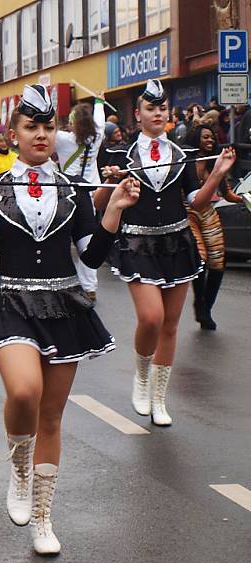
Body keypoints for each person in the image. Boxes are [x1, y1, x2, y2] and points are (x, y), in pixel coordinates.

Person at [0, 84, 140, 555]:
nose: (41, 134)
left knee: (52, 418)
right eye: (30, 126)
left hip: (64, 307)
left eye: (48, 127)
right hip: (12, 303)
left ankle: (42, 518)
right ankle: (18, 468)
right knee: (24, 391)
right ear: (12, 133)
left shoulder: (72, 191)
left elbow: (92, 256)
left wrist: (113, 208)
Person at [97, 79, 235, 427]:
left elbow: (196, 203)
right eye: (150, 108)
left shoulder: (183, 155)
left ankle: (159, 397)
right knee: (151, 318)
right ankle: (141, 376)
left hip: (177, 243)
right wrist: (111, 182)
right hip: (138, 245)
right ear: (138, 114)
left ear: (168, 114)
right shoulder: (119, 155)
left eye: (162, 108)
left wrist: (216, 175)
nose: (157, 114)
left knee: (171, 326)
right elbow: (97, 203)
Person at [185, 124, 243, 330]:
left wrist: (244, 198)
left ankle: (206, 308)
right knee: (200, 259)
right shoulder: (186, 160)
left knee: (218, 262)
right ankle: (199, 302)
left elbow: (227, 194)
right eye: (205, 137)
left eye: (212, 138)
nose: (210, 141)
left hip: (208, 213)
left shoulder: (216, 163)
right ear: (195, 139)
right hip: (187, 213)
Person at [55, 96, 106, 302]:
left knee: (63, 239)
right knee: (86, 241)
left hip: (67, 193)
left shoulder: (64, 140)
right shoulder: (98, 136)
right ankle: (89, 286)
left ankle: (65, 281)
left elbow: (48, 128)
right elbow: (101, 121)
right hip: (90, 194)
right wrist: (100, 103)